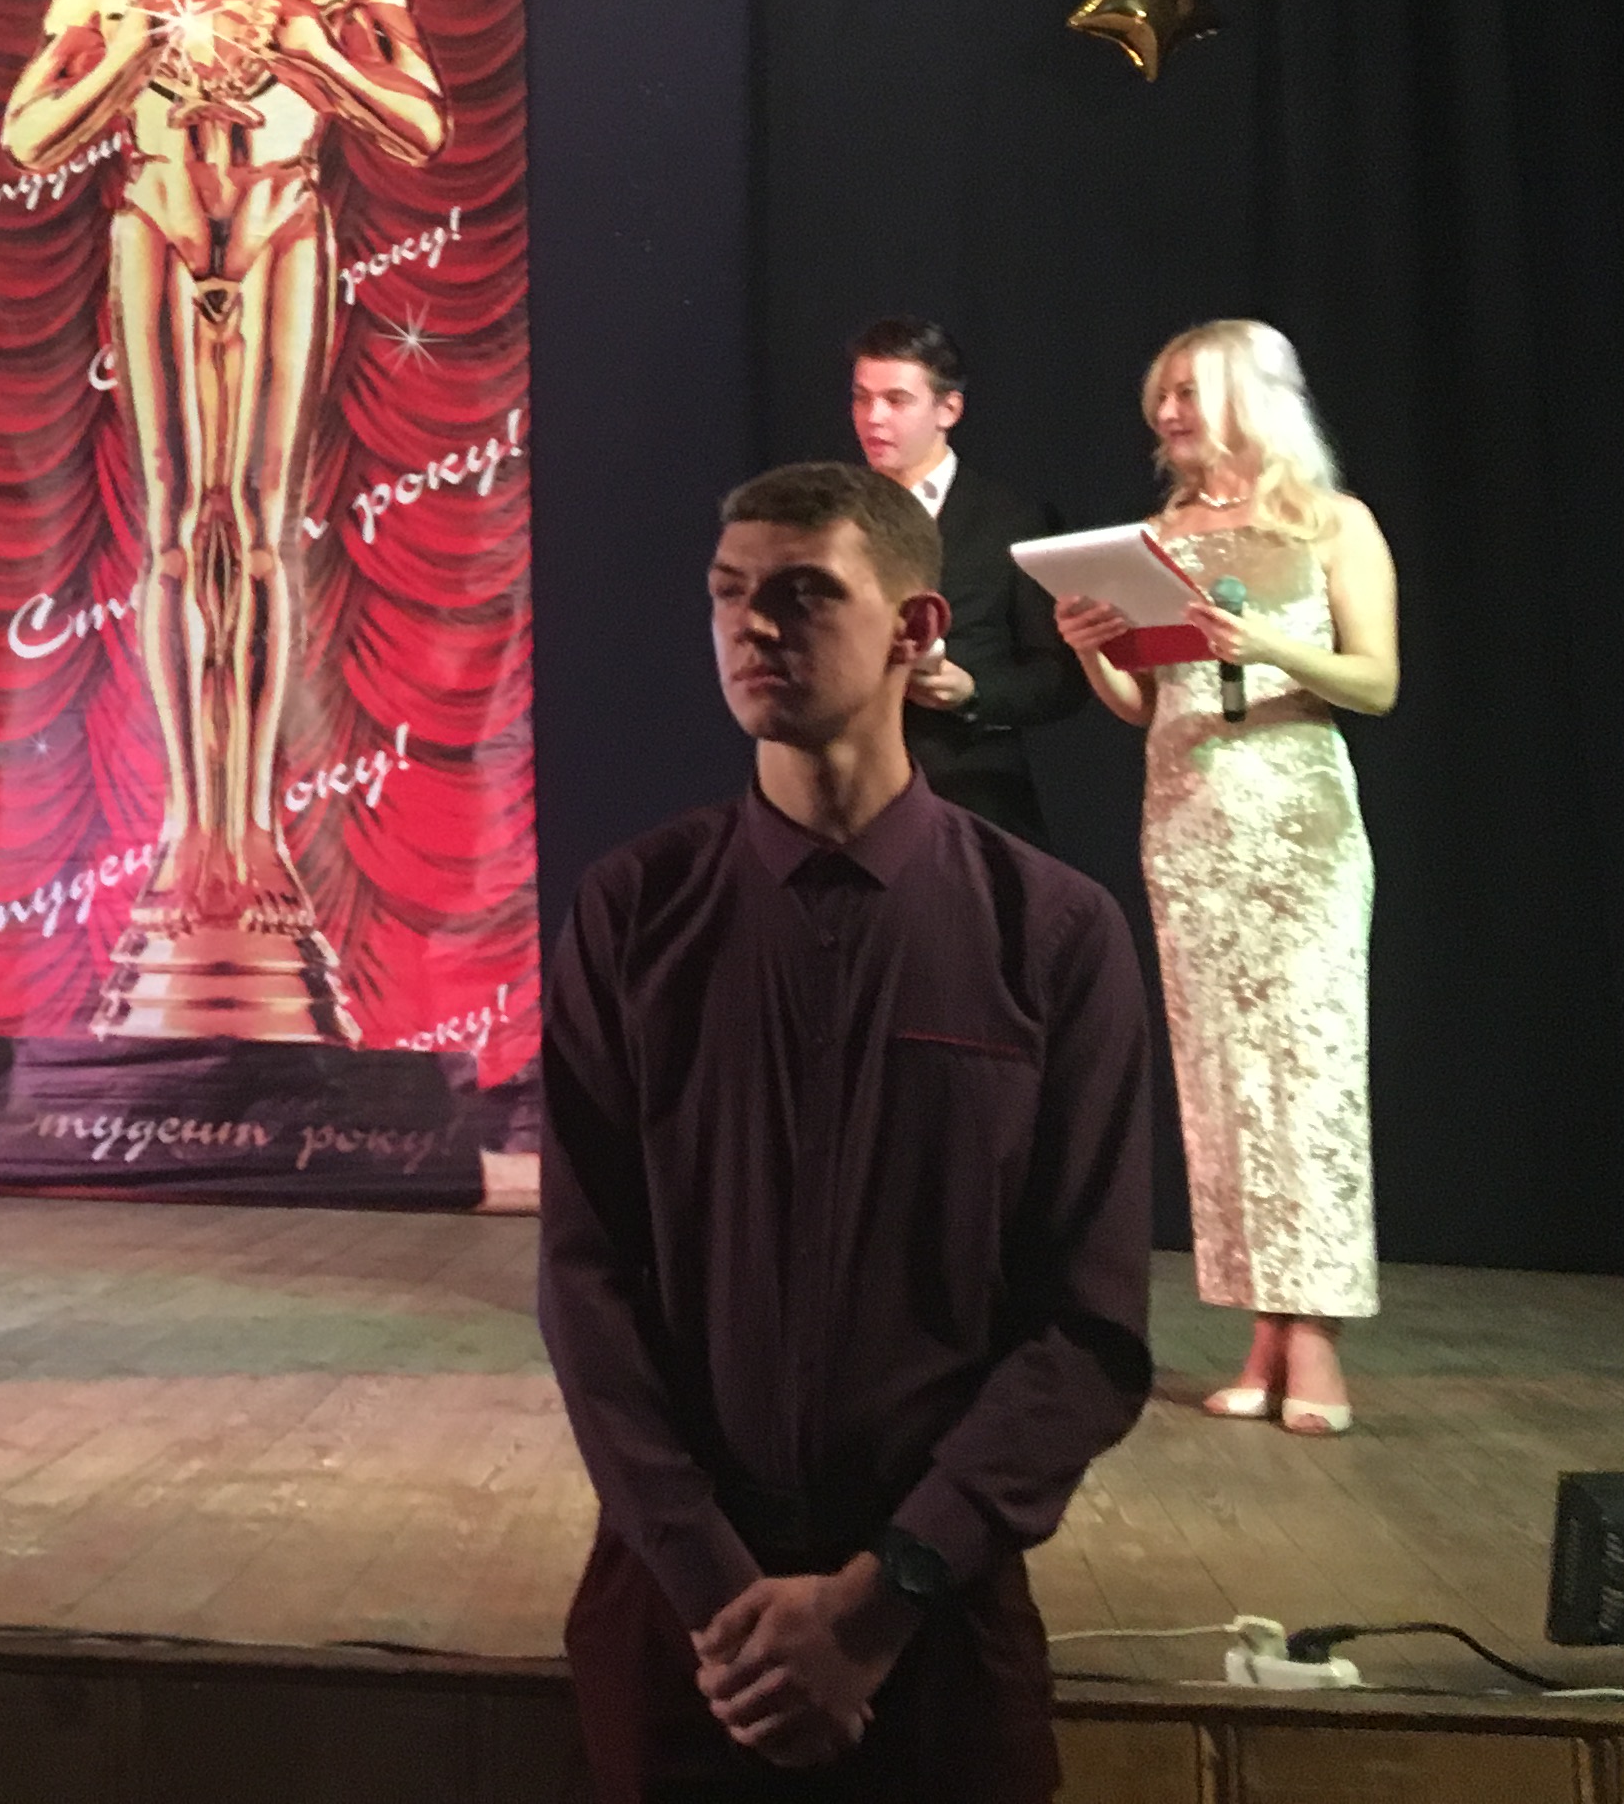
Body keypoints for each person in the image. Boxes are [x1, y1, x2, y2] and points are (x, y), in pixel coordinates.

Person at [540, 461, 1152, 1802]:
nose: (753, 626)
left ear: (916, 629)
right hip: (689, 1642)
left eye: (805, 593)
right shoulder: (635, 914)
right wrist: (718, 1590)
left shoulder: (1054, 936)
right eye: (728, 594)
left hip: (935, 1641)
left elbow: (1091, 1329)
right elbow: (586, 1280)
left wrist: (883, 1599)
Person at [0, 0, 446, 1041]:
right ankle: (192, 837)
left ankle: (255, 836)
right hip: (157, 221)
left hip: (284, 219)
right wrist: (123, 61)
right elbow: (25, 135)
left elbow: (422, 126)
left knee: (257, 529)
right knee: (178, 528)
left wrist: (317, 57)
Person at [1051, 319, 1400, 1438]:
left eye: (1190, 392)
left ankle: (1318, 1336)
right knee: (1220, 1084)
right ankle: (1261, 1331)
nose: (1169, 413)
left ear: (1255, 398)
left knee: (1311, 1074)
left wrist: (1272, 650)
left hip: (1298, 826)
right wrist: (1089, 645)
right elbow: (1141, 704)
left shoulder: (1333, 522)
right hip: (1187, 825)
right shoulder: (1156, 539)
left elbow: (1377, 683)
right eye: (1162, 394)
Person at [847, 318, 1082, 846]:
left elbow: (1059, 678)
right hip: (851, 796)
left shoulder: (1010, 519)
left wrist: (972, 692)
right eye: (862, 398)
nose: (873, 417)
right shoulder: (833, 517)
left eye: (896, 400)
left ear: (948, 409)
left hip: (970, 797)